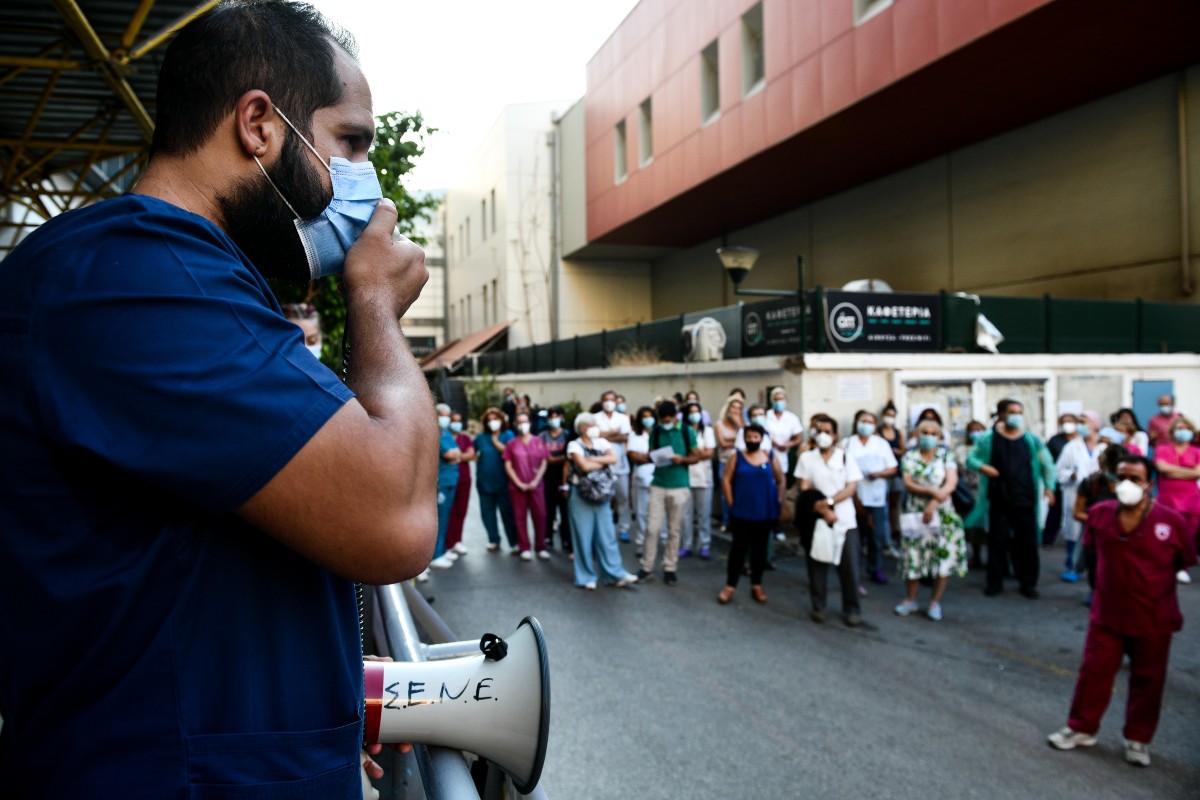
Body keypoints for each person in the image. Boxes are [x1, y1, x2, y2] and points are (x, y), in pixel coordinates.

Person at [0, 2, 438, 794]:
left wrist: (317, 687)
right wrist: (373, 300)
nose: (368, 190)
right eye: (350, 143)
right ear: (259, 126)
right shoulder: (134, 278)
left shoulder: (189, 282)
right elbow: (395, 514)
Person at [1047, 455, 1197, 768]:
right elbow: (1092, 553)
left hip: (1154, 617)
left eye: (1136, 478)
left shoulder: (1171, 522)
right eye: (1121, 477)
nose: (1127, 484)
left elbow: (1184, 561)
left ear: (1149, 485)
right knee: (1094, 673)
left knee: (1149, 680)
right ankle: (1081, 728)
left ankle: (1138, 739)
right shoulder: (1100, 514)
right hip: (1108, 615)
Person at [966, 399, 1056, 598]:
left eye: (1019, 412)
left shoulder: (1031, 440)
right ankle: (994, 582)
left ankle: (1028, 582)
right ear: (1001, 414)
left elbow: (1047, 463)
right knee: (997, 541)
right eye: (1012, 411)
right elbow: (971, 458)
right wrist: (984, 467)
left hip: (1025, 498)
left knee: (1028, 542)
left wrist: (1050, 487)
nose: (1016, 416)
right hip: (999, 498)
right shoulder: (989, 439)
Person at [894, 419, 967, 621]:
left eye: (933, 433)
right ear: (917, 435)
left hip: (942, 512)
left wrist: (934, 502)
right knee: (913, 556)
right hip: (915, 512)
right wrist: (929, 491)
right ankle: (911, 598)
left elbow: (951, 482)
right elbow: (908, 482)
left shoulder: (946, 455)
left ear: (940, 436)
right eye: (924, 432)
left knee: (942, 558)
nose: (928, 436)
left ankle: (935, 601)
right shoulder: (910, 456)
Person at [796, 415, 864, 626]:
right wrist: (822, 507)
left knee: (849, 567)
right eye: (819, 431)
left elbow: (851, 488)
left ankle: (852, 608)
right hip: (818, 519)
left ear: (836, 435)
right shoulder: (807, 458)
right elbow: (805, 487)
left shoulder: (845, 458)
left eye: (828, 431)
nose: (823, 435)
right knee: (817, 563)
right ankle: (819, 606)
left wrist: (830, 502)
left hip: (844, 520)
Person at [566, 413, 639, 590]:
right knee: (583, 536)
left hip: (603, 494)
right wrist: (601, 461)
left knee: (607, 536)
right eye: (591, 424)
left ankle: (614, 573)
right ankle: (585, 576)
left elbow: (614, 458)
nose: (595, 427)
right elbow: (583, 466)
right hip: (581, 494)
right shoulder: (574, 445)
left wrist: (592, 459)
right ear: (582, 427)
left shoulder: (602, 442)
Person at [718, 424, 785, 604]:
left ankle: (757, 584)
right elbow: (726, 479)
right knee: (738, 549)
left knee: (760, 550)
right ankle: (730, 586)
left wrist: (778, 501)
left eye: (756, 437)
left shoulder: (770, 456)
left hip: (765, 512)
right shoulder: (736, 457)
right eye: (749, 437)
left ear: (761, 439)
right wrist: (731, 502)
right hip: (741, 511)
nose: (752, 440)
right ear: (744, 438)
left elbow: (780, 480)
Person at [639, 400, 701, 585]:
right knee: (652, 529)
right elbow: (650, 453)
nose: (666, 422)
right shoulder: (656, 431)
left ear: (675, 416)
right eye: (663, 419)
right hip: (658, 483)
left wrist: (681, 459)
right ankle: (646, 566)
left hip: (679, 485)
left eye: (668, 419)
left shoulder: (686, 431)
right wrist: (657, 456)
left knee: (674, 530)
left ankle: (670, 567)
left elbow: (696, 455)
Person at [843, 409, 898, 585]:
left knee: (876, 535)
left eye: (869, 422)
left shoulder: (881, 444)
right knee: (855, 536)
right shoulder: (848, 443)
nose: (865, 425)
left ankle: (875, 568)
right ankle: (853, 571)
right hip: (853, 496)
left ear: (874, 426)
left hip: (875, 496)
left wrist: (879, 473)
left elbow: (893, 468)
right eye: (862, 421)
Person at [1153, 415, 1200, 585]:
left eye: (1186, 428)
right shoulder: (1163, 449)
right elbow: (1162, 468)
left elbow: (1198, 473)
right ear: (1173, 432)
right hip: (1168, 498)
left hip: (1192, 499)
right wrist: (1188, 472)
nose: (1183, 431)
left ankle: (1182, 568)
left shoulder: (1196, 452)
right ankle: (1165, 565)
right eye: (1179, 428)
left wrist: (1174, 471)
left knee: (1189, 534)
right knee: (1165, 532)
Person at [1055, 412, 1100, 582]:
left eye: (1084, 421)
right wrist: (1070, 475)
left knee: (1096, 531)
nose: (1080, 425)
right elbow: (1058, 470)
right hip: (1075, 492)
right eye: (1079, 422)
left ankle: (1094, 568)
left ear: (1095, 424)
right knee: (1073, 531)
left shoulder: (1104, 445)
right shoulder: (1071, 446)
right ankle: (1072, 566)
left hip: (1098, 495)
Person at [504, 411, 550, 561]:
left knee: (541, 516)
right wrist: (518, 483)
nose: (522, 425)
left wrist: (536, 481)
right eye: (519, 422)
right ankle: (524, 547)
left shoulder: (538, 441)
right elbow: (508, 465)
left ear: (530, 423)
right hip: (517, 487)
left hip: (537, 485)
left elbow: (544, 461)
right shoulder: (511, 444)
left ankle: (540, 546)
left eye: (525, 421)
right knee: (520, 517)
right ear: (516, 425)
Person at [475, 407, 519, 553]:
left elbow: (511, 453)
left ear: (501, 420)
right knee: (487, 512)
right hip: (484, 481)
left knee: (508, 513)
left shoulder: (508, 435)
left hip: (504, 481)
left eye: (495, 419)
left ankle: (514, 542)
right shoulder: (481, 437)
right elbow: (472, 451)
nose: (493, 422)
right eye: (490, 420)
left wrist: (495, 441)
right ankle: (493, 539)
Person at [680, 400, 717, 559]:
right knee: (686, 514)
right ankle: (687, 544)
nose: (695, 415)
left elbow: (709, 453)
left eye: (697, 411)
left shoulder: (707, 431)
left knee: (704, 514)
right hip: (686, 477)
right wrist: (697, 454)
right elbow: (681, 452)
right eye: (691, 412)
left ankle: (704, 544)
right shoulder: (682, 431)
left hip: (704, 477)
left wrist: (692, 455)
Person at [595, 389, 634, 541]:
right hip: (602, 465)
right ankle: (606, 528)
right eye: (606, 399)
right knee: (604, 498)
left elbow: (624, 436)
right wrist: (613, 433)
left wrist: (606, 434)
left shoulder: (623, 418)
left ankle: (624, 528)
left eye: (612, 399)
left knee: (623, 497)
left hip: (620, 465)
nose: (609, 402)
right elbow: (596, 436)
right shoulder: (595, 418)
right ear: (601, 401)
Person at [626, 406, 665, 556]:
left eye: (650, 416)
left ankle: (662, 539)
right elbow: (634, 456)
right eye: (644, 416)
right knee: (641, 512)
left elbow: (664, 454)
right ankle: (641, 542)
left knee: (661, 511)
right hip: (641, 477)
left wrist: (647, 457)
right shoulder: (635, 435)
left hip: (659, 477)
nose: (648, 419)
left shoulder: (660, 433)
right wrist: (652, 457)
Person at [429, 403, 464, 570]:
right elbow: (451, 454)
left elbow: (458, 454)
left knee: (447, 517)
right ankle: (435, 554)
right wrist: (455, 455)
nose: (445, 418)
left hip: (451, 481)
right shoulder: (435, 433)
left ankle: (442, 550)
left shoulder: (446, 433)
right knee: (440, 519)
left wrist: (455, 455)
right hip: (442, 482)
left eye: (446, 415)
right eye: (441, 415)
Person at [539, 405, 573, 555]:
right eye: (551, 417)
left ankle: (566, 538)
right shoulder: (542, 436)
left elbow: (570, 456)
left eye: (557, 416)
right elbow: (543, 457)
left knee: (565, 509)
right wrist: (560, 458)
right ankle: (547, 536)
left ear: (562, 417)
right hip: (548, 475)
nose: (554, 419)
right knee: (548, 508)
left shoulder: (567, 434)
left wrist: (556, 459)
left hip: (564, 475)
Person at [1043, 412, 1079, 548]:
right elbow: (1048, 462)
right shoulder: (1055, 440)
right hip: (1059, 480)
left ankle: (1077, 540)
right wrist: (1049, 484)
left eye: (1070, 421)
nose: (1067, 424)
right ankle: (1047, 539)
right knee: (1055, 511)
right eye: (1064, 421)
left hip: (1079, 483)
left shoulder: (1082, 441)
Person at [955, 420, 988, 568]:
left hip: (987, 492)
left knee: (986, 526)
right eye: (974, 430)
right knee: (970, 526)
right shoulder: (961, 450)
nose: (977, 433)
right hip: (968, 492)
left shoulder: (988, 448)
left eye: (980, 429)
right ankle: (973, 555)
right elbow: (960, 468)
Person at [443, 411, 475, 558]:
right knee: (447, 512)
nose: (457, 423)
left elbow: (471, 455)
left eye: (459, 420)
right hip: (449, 480)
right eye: (454, 420)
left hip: (464, 480)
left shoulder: (465, 438)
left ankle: (456, 541)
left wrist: (456, 456)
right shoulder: (444, 437)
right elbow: (448, 454)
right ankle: (446, 544)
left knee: (460, 511)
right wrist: (462, 455)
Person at [879, 401, 906, 555]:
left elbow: (903, 449)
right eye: (888, 415)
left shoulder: (898, 432)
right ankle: (885, 539)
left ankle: (894, 531)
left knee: (894, 505)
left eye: (893, 416)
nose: (890, 418)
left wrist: (897, 452)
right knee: (883, 505)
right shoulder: (878, 432)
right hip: (881, 473)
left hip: (895, 472)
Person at [714, 395, 745, 531]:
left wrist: (739, 426)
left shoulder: (742, 424)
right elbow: (723, 443)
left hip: (739, 462)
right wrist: (737, 442)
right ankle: (726, 520)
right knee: (725, 493)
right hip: (724, 461)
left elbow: (747, 441)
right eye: (733, 407)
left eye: (739, 408)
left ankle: (737, 520)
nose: (736, 410)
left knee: (738, 491)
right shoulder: (719, 424)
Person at [764, 387, 804, 480]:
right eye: (776, 399)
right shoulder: (766, 415)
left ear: (786, 400)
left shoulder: (792, 418)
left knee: (781, 479)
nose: (778, 402)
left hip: (783, 454)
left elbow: (798, 437)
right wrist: (774, 443)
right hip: (766, 452)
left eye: (781, 399)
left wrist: (789, 444)